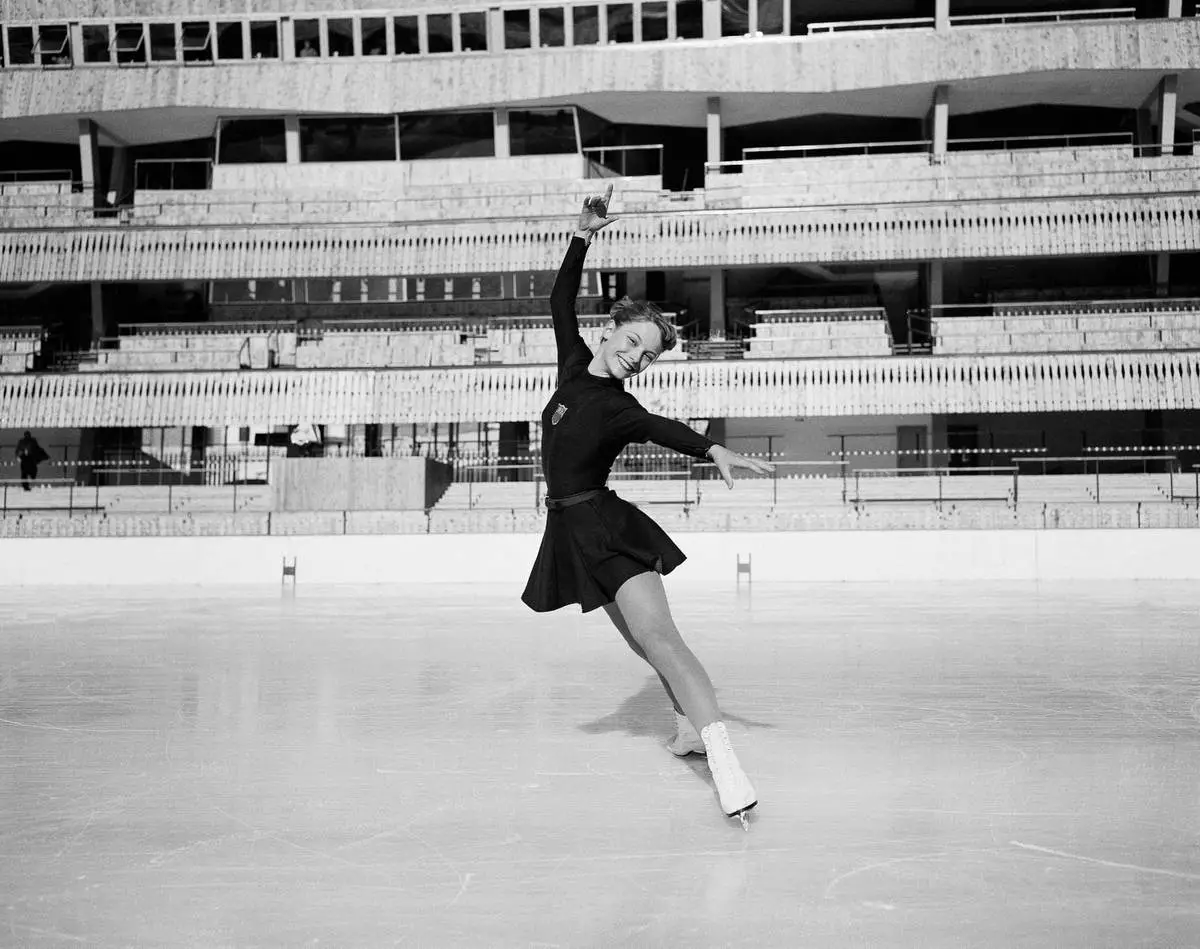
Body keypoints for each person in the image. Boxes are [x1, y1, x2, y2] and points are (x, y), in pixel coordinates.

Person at [521, 184, 774, 827]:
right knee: (643, 645)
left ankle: (726, 764)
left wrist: (711, 449)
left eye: (649, 356)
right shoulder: (574, 366)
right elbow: (558, 301)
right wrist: (583, 234)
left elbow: (664, 428)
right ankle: (688, 728)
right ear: (611, 331)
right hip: (570, 531)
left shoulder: (622, 408)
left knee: (661, 639)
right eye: (632, 343)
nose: (636, 358)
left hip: (607, 527)